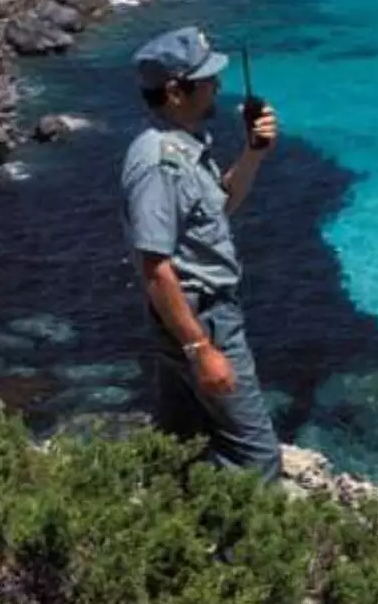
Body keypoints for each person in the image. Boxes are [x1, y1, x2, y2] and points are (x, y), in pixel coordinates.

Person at [119, 25, 282, 483]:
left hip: (191, 317)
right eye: (207, 80)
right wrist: (202, 349)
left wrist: (253, 153)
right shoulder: (159, 162)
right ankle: (244, 532)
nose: (218, 87)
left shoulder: (185, 147)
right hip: (201, 318)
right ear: (175, 91)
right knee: (257, 457)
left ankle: (172, 517)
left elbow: (220, 205)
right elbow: (155, 267)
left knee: (182, 438)